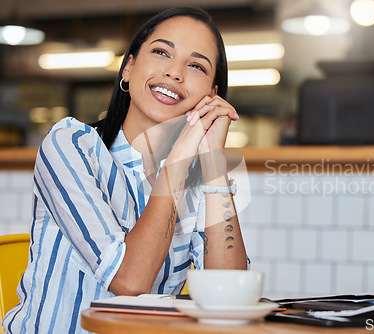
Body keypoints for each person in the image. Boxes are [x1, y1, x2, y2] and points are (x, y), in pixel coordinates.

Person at [2, 7, 248, 333]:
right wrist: (180, 159)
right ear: (129, 68)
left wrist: (213, 162)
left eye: (196, 66)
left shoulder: (197, 181)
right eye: (161, 52)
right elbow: (129, 283)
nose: (175, 73)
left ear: (211, 96)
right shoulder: (71, 144)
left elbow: (232, 300)